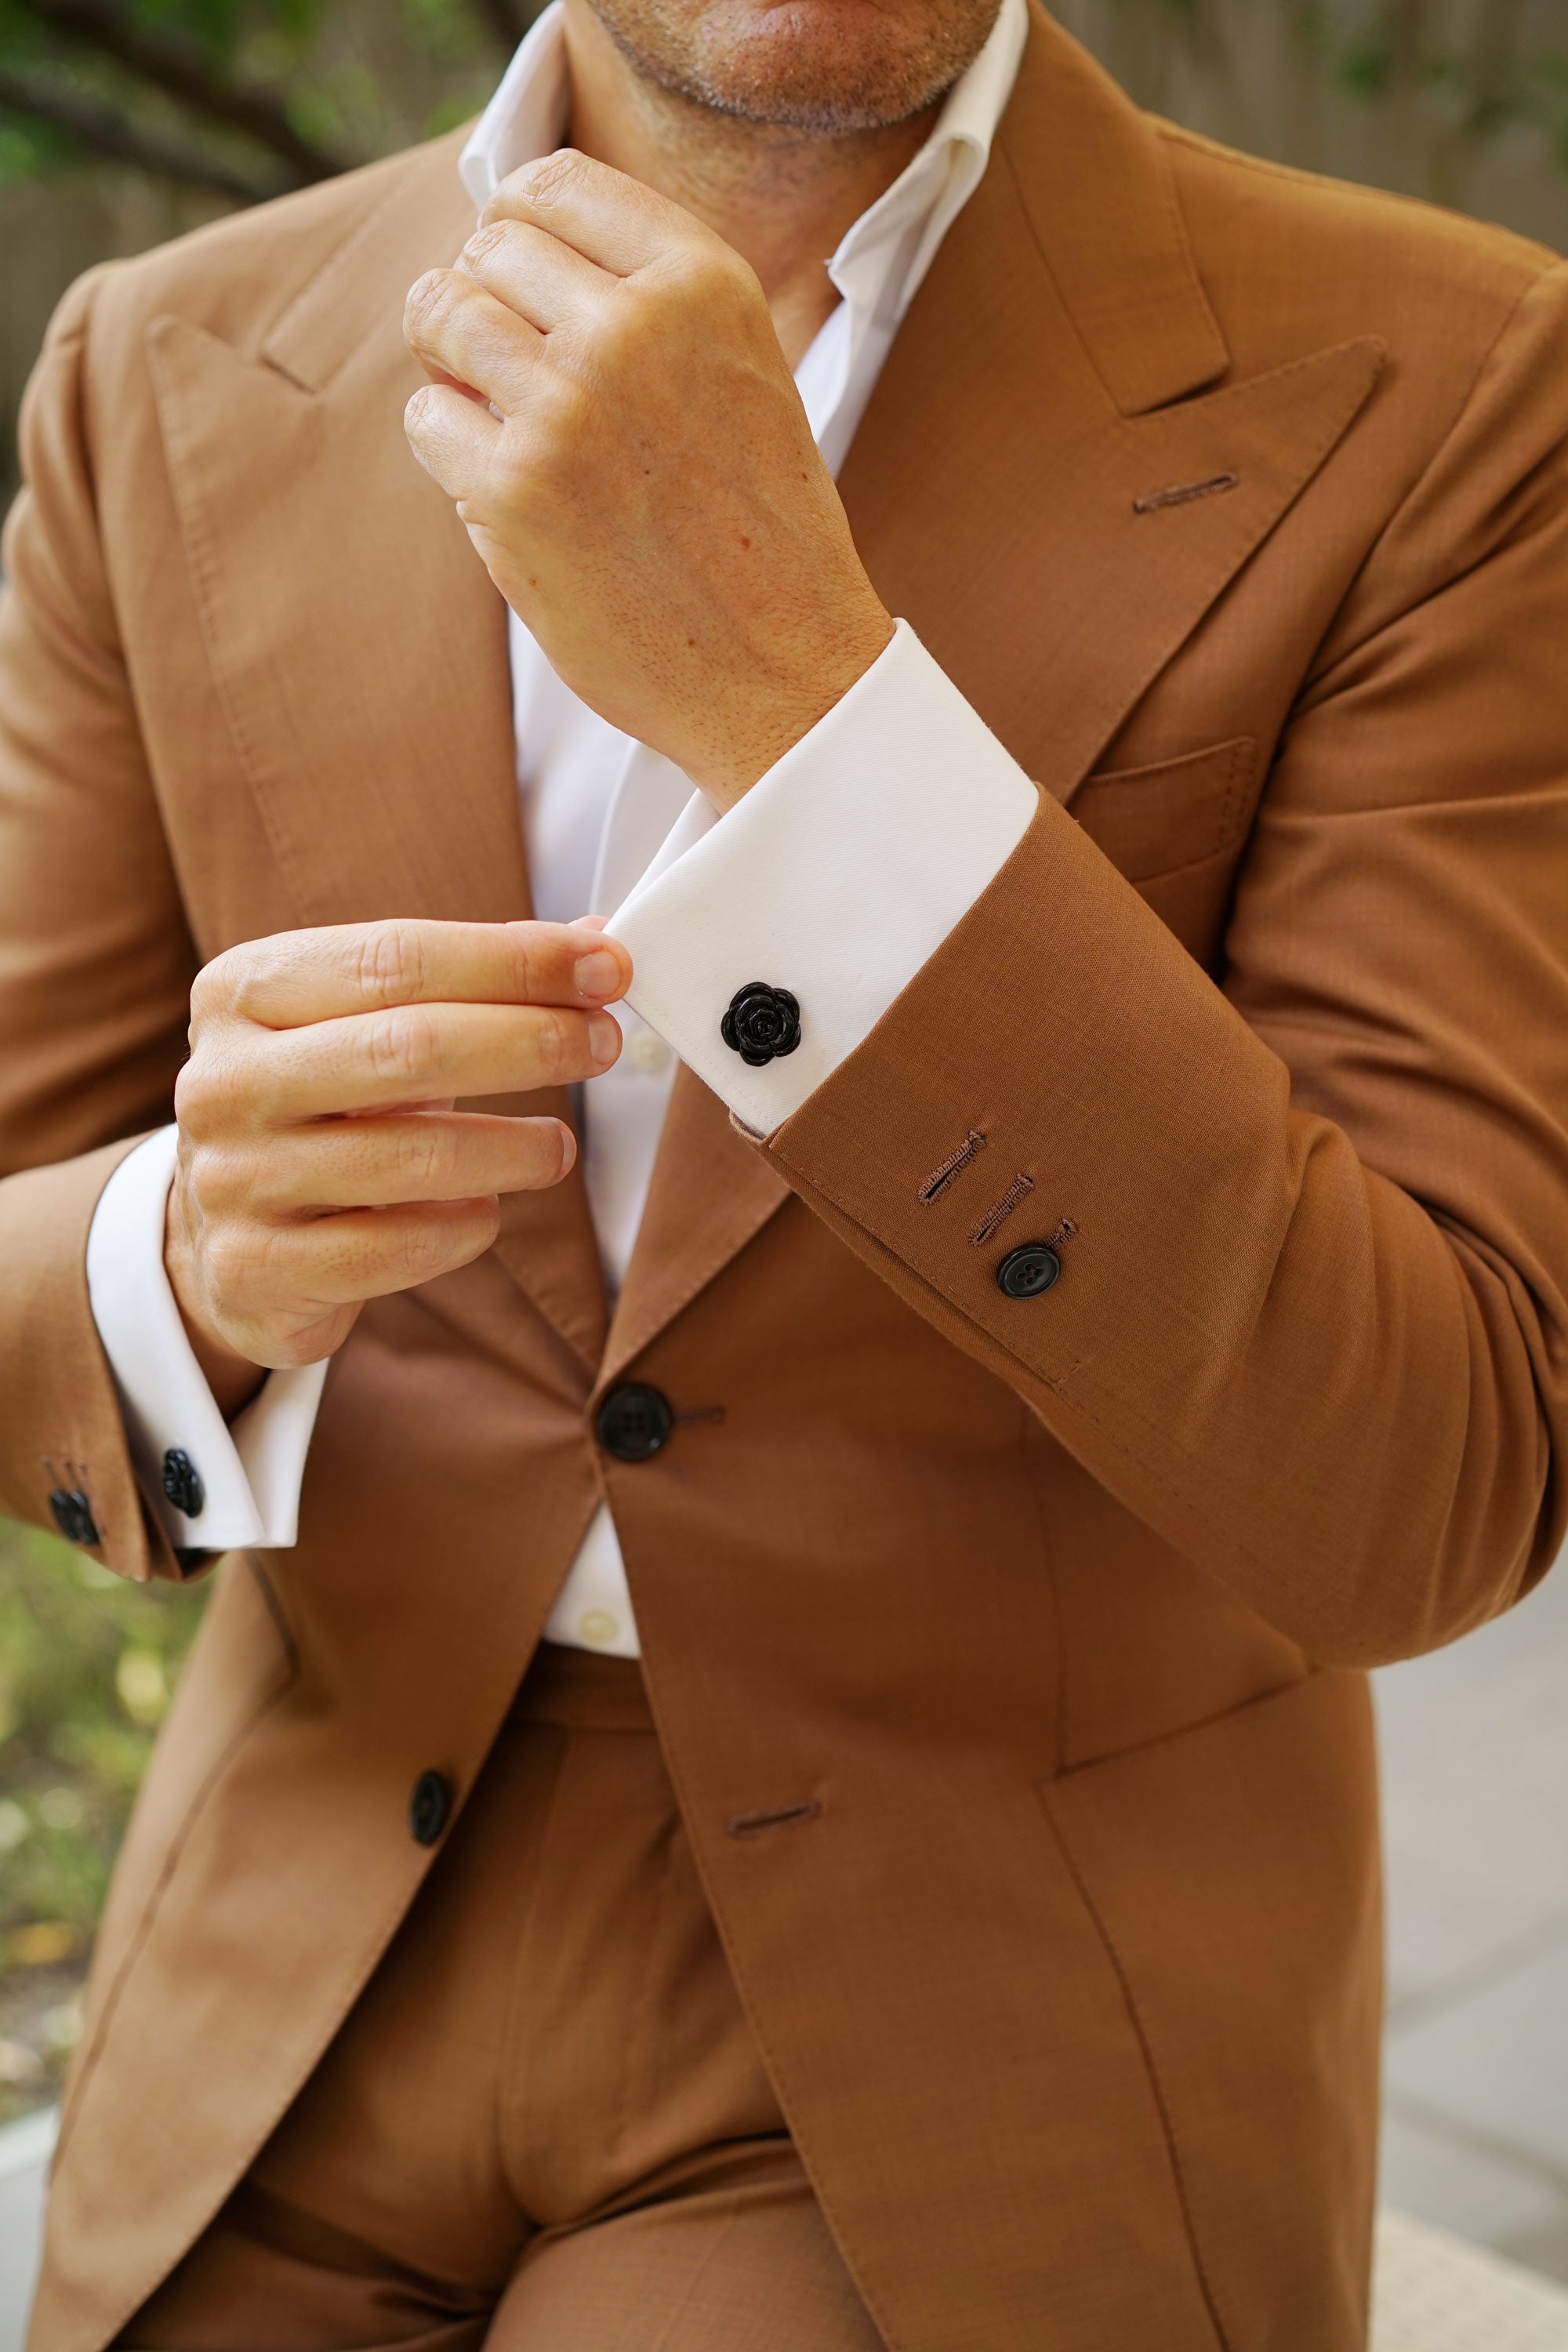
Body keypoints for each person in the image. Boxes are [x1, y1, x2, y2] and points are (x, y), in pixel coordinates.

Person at [2, 0, 1566, 2338]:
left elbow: (1430, 1473)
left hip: (987, 1989)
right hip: (300, 1916)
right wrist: (186, 1251)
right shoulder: (159, 358)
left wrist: (810, 706)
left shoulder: (1457, 379)